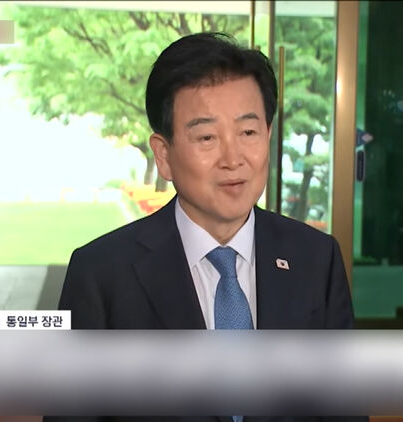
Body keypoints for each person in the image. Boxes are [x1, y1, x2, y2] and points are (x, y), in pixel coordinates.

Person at [52, 32, 361, 421]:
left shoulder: (316, 259)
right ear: (164, 155)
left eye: (248, 132)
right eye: (207, 137)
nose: (233, 158)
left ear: (268, 135)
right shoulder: (101, 275)